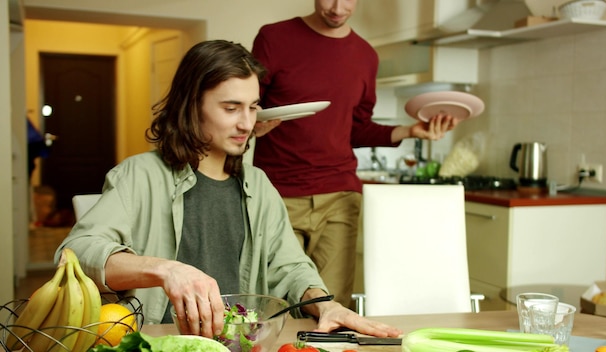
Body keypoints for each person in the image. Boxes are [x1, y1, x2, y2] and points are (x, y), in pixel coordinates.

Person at [54, 40, 401, 339]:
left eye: (253, 107)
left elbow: (289, 266)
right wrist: (167, 270)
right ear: (192, 106)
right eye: (231, 108)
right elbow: (76, 254)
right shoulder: (139, 175)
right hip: (162, 341)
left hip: (241, 342)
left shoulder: (259, 185)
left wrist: (325, 305)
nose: (247, 123)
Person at [252, 0, 459, 308]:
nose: (337, 8)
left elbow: (357, 129)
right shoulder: (273, 38)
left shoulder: (365, 56)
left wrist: (409, 131)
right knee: (275, 305)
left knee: (332, 305)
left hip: (340, 195)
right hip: (279, 193)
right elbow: (247, 105)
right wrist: (252, 124)